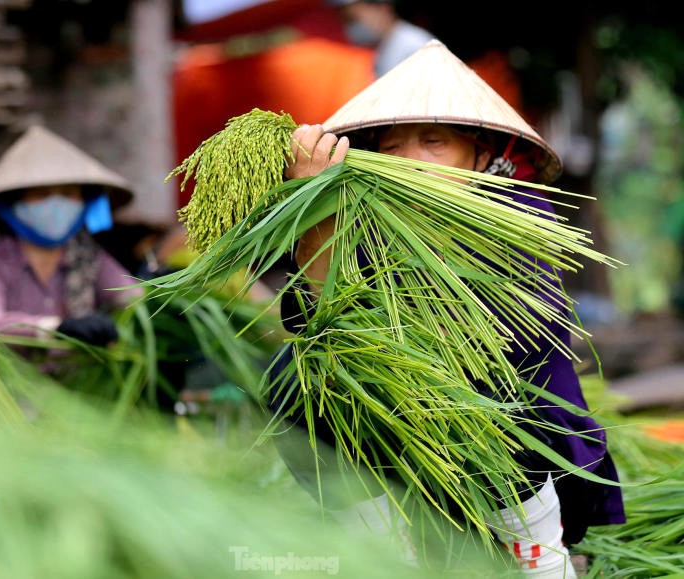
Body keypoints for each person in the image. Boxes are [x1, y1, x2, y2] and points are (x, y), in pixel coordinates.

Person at [267, 40, 625, 576]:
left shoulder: (518, 212)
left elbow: (505, 346)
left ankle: (543, 557)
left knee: (491, 389)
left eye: (433, 141)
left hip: (522, 449)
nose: (410, 159)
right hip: (399, 445)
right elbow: (316, 330)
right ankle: (386, 550)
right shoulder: (359, 223)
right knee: (291, 378)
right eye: (390, 146)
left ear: (479, 152)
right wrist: (316, 217)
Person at [0, 125, 143, 352]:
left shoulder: (88, 257)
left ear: (84, 202)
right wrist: (54, 328)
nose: (57, 203)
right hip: (8, 384)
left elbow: (132, 298)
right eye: (42, 194)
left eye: (68, 194)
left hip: (75, 382)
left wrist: (163, 289)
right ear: (13, 203)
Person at [330, 0, 434, 77]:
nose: (352, 27)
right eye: (347, 21)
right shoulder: (382, 48)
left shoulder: (415, 45)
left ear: (382, 8)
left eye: (354, 19)